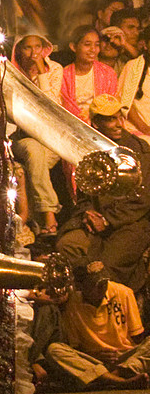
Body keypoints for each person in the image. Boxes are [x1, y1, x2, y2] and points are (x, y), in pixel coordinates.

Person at [55, 95, 150, 295]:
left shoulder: (139, 151)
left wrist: (107, 220)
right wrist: (88, 212)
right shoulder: (90, 152)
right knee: (67, 245)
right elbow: (83, 195)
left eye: (119, 117)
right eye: (110, 119)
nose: (119, 124)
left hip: (129, 224)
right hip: (94, 221)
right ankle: (81, 305)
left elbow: (142, 201)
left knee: (107, 265)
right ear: (96, 123)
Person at [45, 262, 150, 390]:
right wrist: (95, 354)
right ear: (81, 286)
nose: (103, 286)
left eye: (104, 282)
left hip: (125, 358)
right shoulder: (72, 303)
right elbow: (75, 346)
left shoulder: (123, 292)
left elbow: (137, 337)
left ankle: (112, 377)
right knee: (54, 350)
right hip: (93, 361)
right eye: (96, 284)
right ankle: (119, 381)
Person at [11, 34, 64, 236]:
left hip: (51, 139)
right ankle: (49, 214)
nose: (33, 53)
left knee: (36, 161)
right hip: (23, 136)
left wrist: (41, 70)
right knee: (33, 149)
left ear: (45, 48)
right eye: (27, 48)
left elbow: (51, 105)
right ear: (18, 50)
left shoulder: (55, 69)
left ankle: (31, 223)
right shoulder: (13, 73)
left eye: (38, 47)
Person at [59, 26, 118, 123]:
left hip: (102, 123)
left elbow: (111, 104)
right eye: (87, 44)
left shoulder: (107, 73)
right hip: (72, 123)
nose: (93, 49)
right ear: (73, 47)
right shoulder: (63, 75)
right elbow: (64, 107)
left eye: (97, 45)